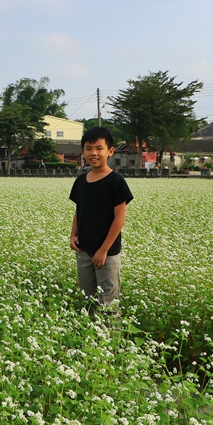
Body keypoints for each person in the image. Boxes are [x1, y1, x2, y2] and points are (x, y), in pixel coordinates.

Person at [69, 127, 133, 309]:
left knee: (108, 301)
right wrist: (73, 235)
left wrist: (103, 250)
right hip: (84, 249)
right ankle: (91, 335)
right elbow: (79, 211)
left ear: (110, 151)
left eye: (99, 148)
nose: (93, 153)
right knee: (87, 300)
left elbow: (119, 219)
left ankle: (110, 336)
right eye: (88, 148)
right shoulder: (81, 181)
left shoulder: (116, 181)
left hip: (107, 253)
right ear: (83, 151)